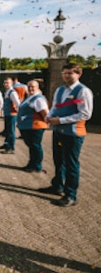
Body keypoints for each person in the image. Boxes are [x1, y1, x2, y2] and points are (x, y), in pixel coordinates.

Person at [39, 63, 93, 207]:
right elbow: (55, 107)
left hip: (73, 133)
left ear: (78, 74)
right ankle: (57, 186)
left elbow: (85, 114)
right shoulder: (60, 90)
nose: (67, 75)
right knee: (58, 161)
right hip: (58, 131)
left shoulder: (83, 91)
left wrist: (60, 120)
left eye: (70, 73)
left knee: (71, 164)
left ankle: (71, 195)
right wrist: (49, 116)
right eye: (65, 73)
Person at [16, 80, 49, 172]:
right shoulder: (29, 98)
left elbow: (45, 112)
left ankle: (37, 166)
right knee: (32, 146)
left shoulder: (38, 99)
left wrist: (48, 122)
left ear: (37, 88)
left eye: (33, 87)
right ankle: (31, 164)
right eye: (29, 86)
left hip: (35, 126)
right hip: (27, 126)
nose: (31, 88)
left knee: (35, 146)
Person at [0, 77, 20, 154]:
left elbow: (18, 104)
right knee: (7, 130)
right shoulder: (7, 92)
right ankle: (6, 144)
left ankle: (11, 147)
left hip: (12, 114)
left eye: (8, 83)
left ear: (12, 83)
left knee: (11, 131)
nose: (6, 84)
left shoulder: (12, 93)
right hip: (7, 114)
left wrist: (18, 112)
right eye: (5, 83)